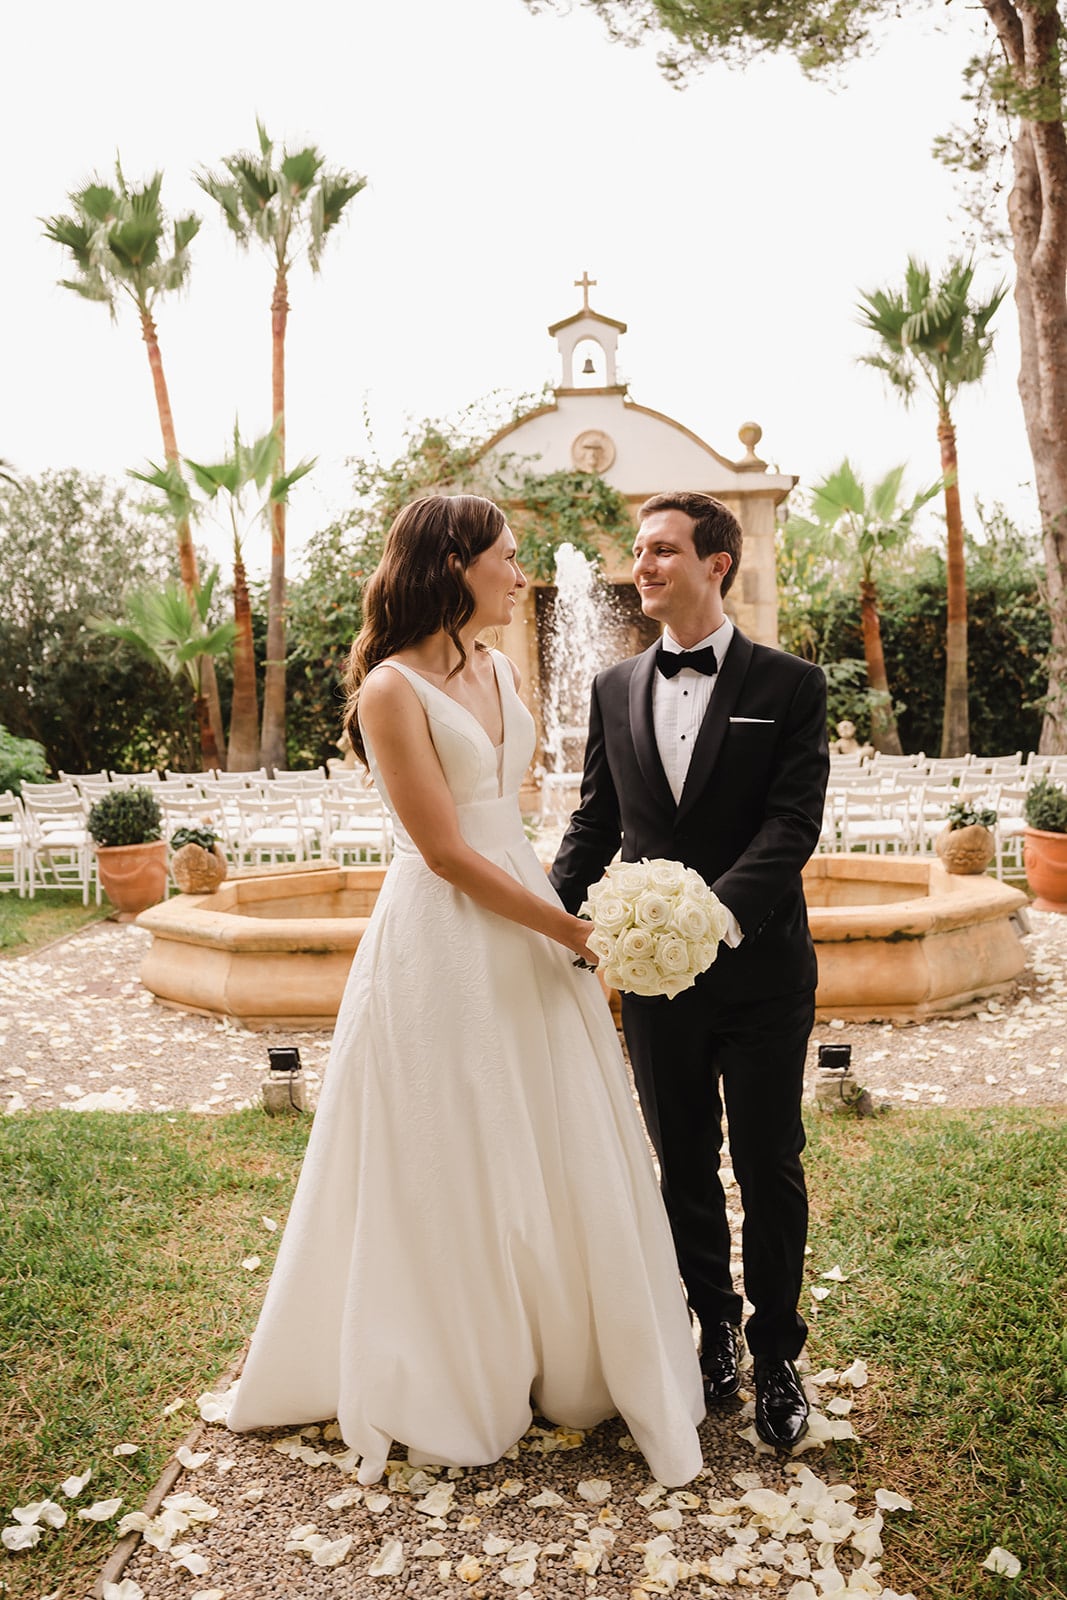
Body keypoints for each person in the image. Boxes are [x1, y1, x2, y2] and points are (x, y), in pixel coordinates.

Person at [227, 494, 704, 1488]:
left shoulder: (496, 668)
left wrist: (579, 911)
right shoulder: (389, 690)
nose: (520, 575)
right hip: (442, 933)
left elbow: (507, 819)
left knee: (552, 1124)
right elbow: (444, 852)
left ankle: (568, 1354)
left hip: (522, 900)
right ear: (453, 565)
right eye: (506, 557)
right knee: (454, 1133)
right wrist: (573, 933)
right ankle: (454, 1366)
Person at [550, 491, 829, 1450]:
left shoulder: (790, 684)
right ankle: (712, 1331)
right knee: (682, 1165)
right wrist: (547, 919)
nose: (643, 565)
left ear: (717, 564)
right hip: (652, 981)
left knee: (767, 1161)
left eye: (663, 550)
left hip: (760, 973)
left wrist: (710, 916)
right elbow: (595, 823)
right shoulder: (612, 688)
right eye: (639, 550)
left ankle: (778, 1351)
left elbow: (790, 824)